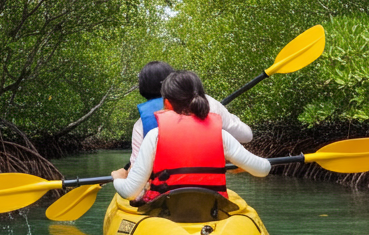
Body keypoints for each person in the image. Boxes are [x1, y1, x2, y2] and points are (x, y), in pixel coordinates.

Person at [112, 70, 269, 202]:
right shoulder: (220, 136)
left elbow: (130, 192)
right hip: (209, 209)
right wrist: (241, 164)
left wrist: (118, 178)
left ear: (167, 103)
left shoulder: (155, 137)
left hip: (165, 209)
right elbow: (263, 169)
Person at [129, 61, 253, 167]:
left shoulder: (141, 124)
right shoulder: (209, 103)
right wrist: (232, 118)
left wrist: (121, 176)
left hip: (164, 191)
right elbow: (246, 136)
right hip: (210, 190)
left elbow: (136, 173)